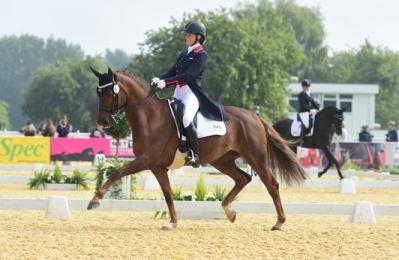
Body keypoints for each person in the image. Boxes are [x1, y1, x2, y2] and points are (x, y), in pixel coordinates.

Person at [150, 21, 228, 167]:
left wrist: (166, 83)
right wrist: (159, 78)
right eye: (186, 34)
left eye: (189, 35)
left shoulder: (201, 55)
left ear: (198, 37)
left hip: (191, 94)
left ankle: (194, 154)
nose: (186, 37)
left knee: (186, 118)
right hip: (178, 93)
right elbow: (171, 72)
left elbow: (188, 76)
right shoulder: (183, 54)